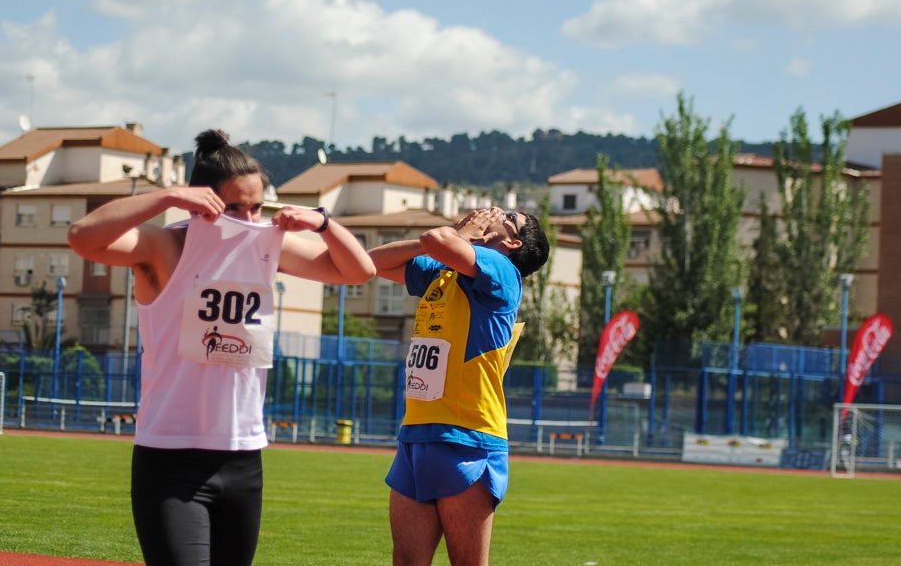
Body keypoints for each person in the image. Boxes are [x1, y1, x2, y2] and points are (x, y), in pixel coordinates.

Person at [67, 129, 375, 566]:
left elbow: (357, 272)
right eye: (234, 207)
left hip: (244, 457)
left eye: (257, 207)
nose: (249, 220)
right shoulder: (165, 246)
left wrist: (323, 224)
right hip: (171, 457)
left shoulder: (268, 244)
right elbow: (82, 236)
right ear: (201, 201)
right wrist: (165, 197)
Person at [368, 207, 550, 566]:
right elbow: (370, 262)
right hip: (417, 435)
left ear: (512, 242)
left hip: (468, 438)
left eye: (508, 215)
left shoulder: (503, 270)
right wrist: (451, 237)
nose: (495, 210)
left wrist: (455, 236)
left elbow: (436, 240)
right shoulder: (444, 269)